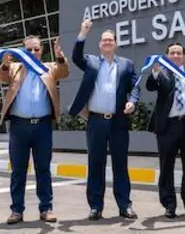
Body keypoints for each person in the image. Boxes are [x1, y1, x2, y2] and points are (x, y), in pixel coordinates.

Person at [69, 18, 140, 221]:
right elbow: (75, 57)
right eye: (104, 40)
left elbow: (135, 87)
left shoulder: (126, 65)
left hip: (118, 121)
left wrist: (132, 102)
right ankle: (95, 207)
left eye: (111, 40)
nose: (107, 42)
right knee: (95, 164)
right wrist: (83, 32)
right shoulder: (91, 61)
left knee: (120, 164)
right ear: (100, 44)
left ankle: (125, 205)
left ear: (115, 44)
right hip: (96, 121)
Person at [0, 35, 69, 225]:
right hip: (19, 126)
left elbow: (64, 71)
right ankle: (17, 210)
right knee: (18, 170)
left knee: (43, 169)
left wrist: (60, 56)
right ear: (22, 51)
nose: (32, 53)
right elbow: (1, 77)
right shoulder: (15, 68)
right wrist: (4, 64)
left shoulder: (49, 68)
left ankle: (46, 208)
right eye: (28, 50)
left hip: (43, 126)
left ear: (41, 49)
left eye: (36, 49)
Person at [146, 42, 185, 218]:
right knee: (166, 166)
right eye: (172, 53)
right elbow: (150, 86)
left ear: (184, 56)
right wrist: (155, 72)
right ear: (167, 56)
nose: (176, 56)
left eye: (179, 53)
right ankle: (169, 205)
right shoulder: (162, 74)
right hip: (167, 126)